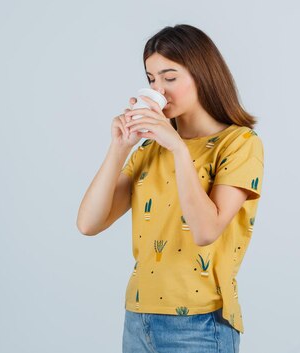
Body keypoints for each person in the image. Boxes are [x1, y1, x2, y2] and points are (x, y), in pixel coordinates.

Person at [77, 24, 264, 353]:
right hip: (139, 317)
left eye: (170, 77)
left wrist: (178, 148)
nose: (158, 89)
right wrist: (119, 147)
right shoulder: (150, 149)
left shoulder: (240, 144)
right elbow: (89, 223)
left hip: (199, 322)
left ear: (202, 75)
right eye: (151, 79)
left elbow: (206, 230)